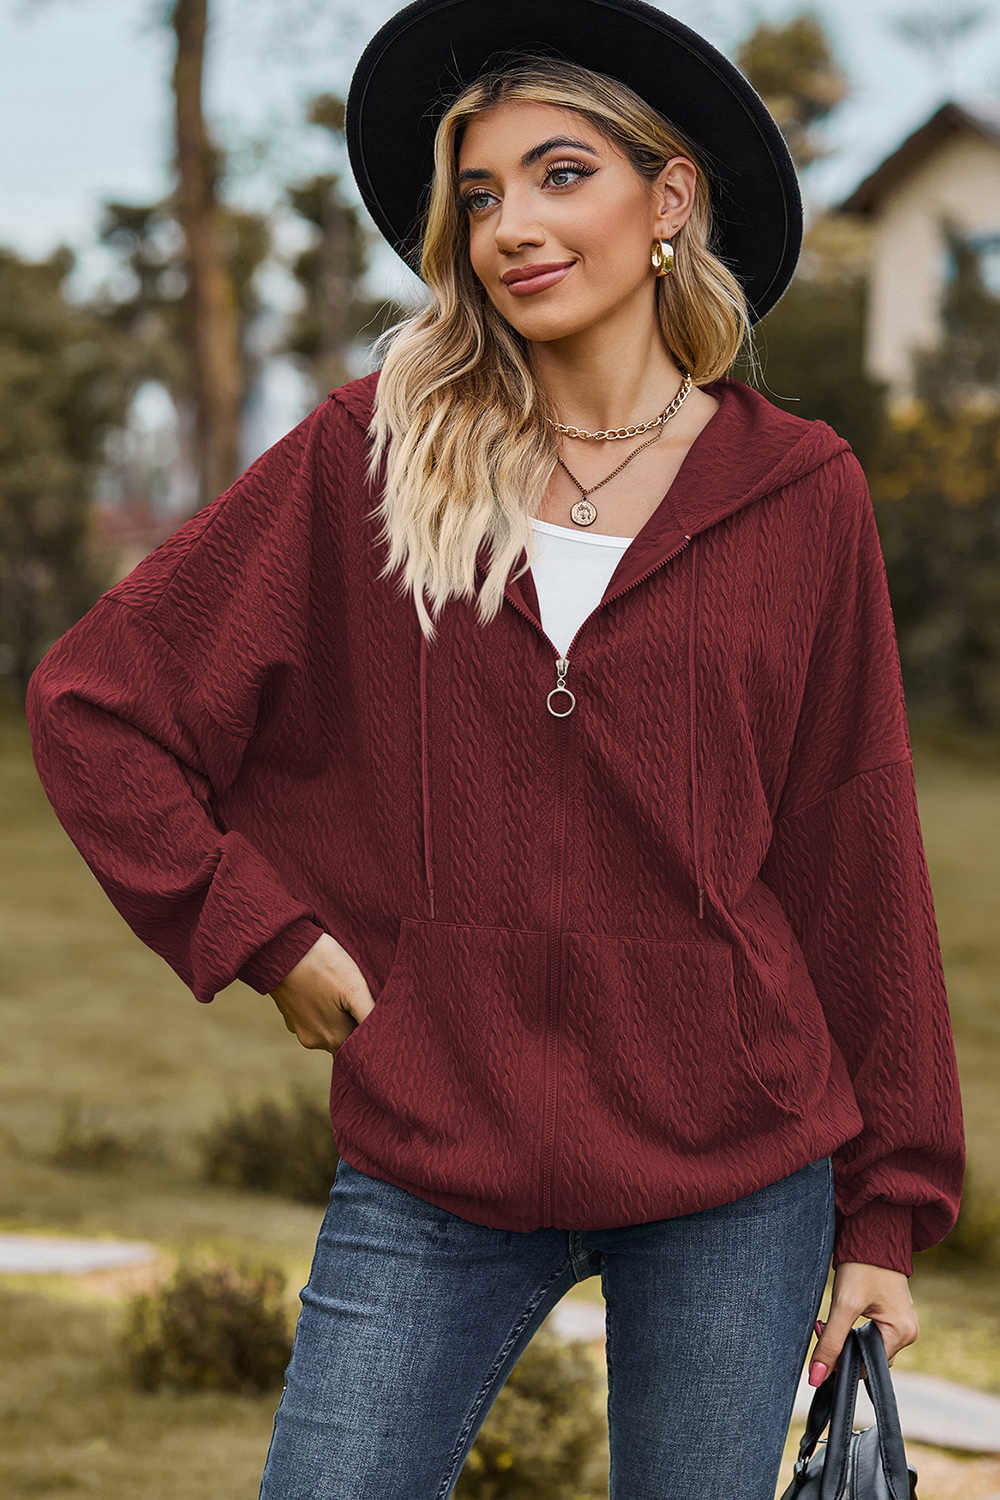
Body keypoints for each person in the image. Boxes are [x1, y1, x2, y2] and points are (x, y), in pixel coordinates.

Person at [26, 1, 965, 1496]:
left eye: (560, 175)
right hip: (434, 1150)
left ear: (669, 200)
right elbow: (99, 702)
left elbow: (856, 846)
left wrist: (886, 1213)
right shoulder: (373, 455)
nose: (510, 226)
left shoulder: (801, 490)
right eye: (477, 196)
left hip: (736, 1169)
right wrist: (259, 931)